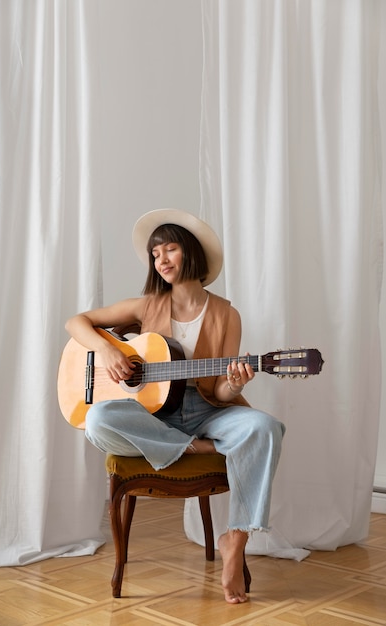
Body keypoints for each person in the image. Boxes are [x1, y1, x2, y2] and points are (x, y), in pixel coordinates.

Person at [65, 208, 285, 604]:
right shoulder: (145, 306)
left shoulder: (226, 314)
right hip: (152, 416)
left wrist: (233, 385)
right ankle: (195, 448)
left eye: (170, 250)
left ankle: (235, 539)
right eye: (155, 254)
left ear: (192, 254)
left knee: (265, 427)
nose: (161, 260)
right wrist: (106, 350)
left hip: (206, 409)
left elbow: (220, 392)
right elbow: (76, 323)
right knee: (97, 418)